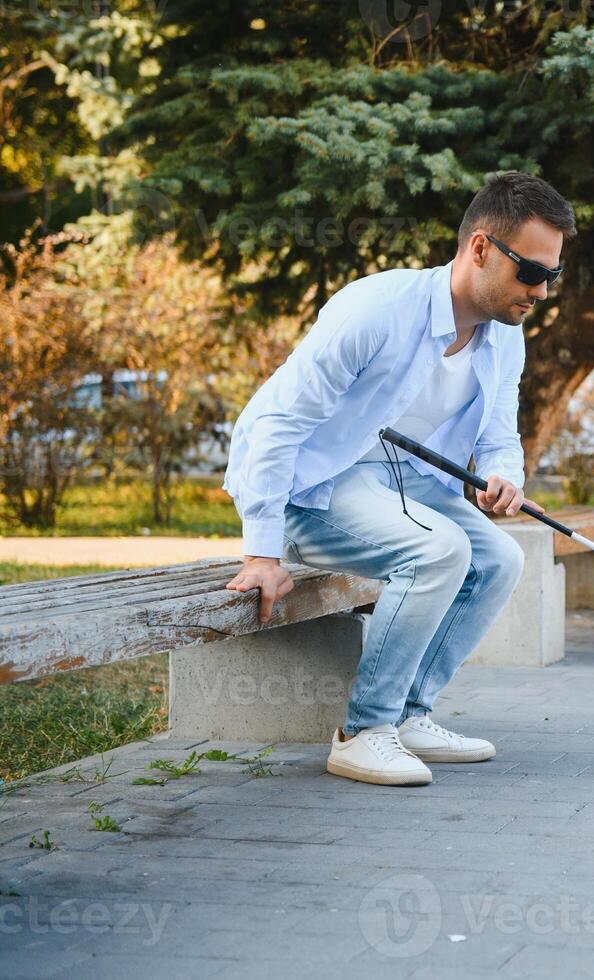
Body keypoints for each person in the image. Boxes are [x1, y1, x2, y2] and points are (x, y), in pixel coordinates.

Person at [221, 172, 575, 787]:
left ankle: (409, 716)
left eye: (553, 276)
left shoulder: (504, 337)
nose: (541, 293)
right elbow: (276, 423)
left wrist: (501, 477)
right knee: (440, 551)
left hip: (403, 483)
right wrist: (261, 549)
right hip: (318, 488)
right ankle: (363, 732)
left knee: (499, 559)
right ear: (482, 248)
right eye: (532, 273)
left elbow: (497, 436)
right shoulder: (375, 309)